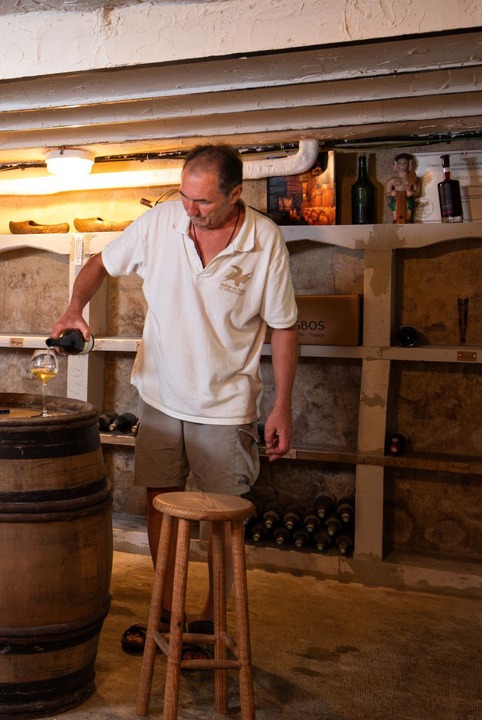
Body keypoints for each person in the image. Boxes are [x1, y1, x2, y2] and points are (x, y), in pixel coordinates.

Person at [50, 144, 299, 659]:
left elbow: (283, 327)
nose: (190, 210)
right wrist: (74, 308)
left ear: (236, 195)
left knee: (224, 522)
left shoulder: (265, 240)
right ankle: (164, 612)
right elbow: (100, 262)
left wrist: (281, 406)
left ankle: (210, 625)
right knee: (160, 507)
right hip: (161, 396)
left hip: (226, 405)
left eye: (203, 202)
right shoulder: (162, 221)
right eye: (185, 196)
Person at [385, 153, 420, 223]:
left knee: (408, 214)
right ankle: (396, 221)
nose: (402, 165)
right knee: (396, 214)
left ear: (409, 164)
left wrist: (412, 193)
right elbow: (386, 193)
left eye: (405, 163)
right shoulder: (391, 181)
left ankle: (407, 221)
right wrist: (391, 193)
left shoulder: (414, 179)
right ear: (396, 164)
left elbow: (418, 192)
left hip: (408, 199)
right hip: (396, 200)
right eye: (400, 163)